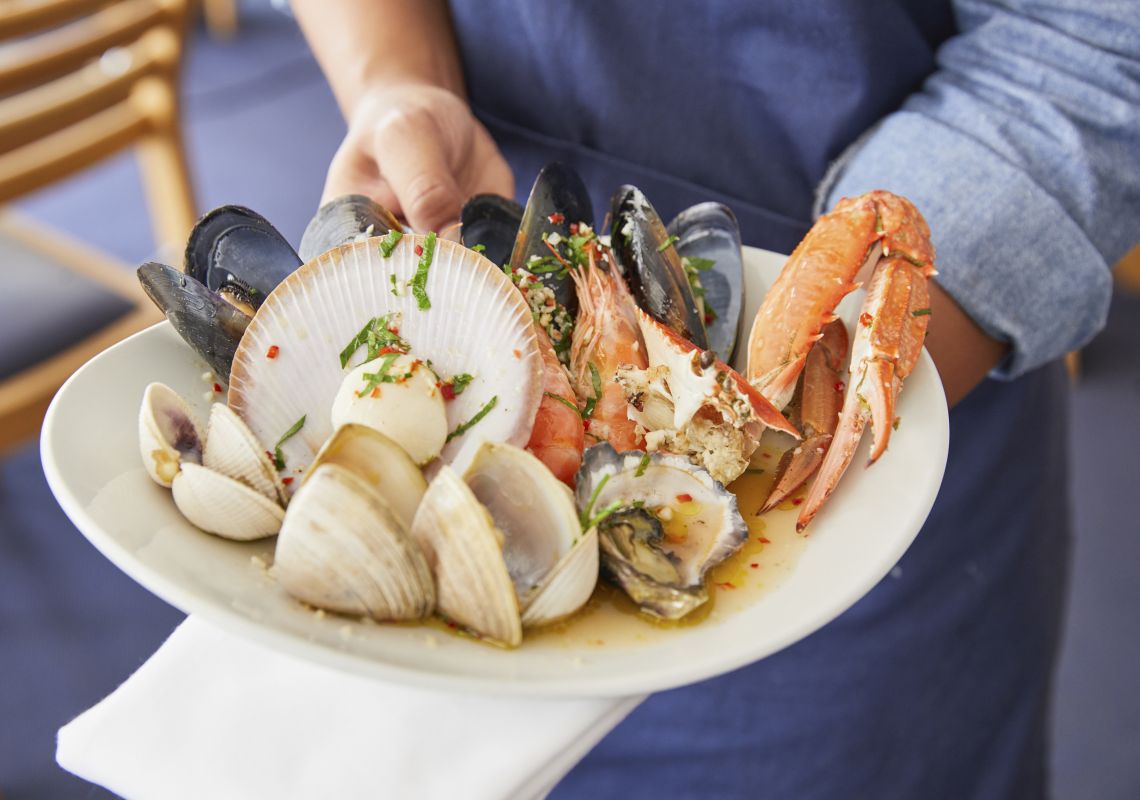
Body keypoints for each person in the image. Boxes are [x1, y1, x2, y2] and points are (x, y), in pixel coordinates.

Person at [290, 1, 1138, 796]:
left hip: (853, 544)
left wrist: (818, 388)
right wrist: (399, 82)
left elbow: (1085, 46)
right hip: (460, 364)